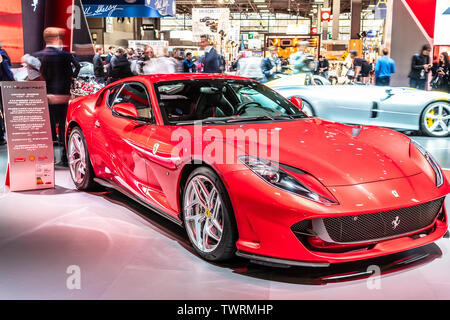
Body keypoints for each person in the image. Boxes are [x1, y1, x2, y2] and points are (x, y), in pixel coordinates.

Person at [33, 27, 81, 165]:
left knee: (48, 127)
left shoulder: (41, 55)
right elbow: (77, 66)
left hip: (48, 96)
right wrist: (71, 78)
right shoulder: (66, 55)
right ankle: (66, 159)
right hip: (64, 95)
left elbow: (40, 74)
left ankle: (49, 158)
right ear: (57, 38)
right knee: (64, 126)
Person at [0, 42, 14, 145]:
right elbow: (7, 71)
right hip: (4, 86)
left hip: (3, 86)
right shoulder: (2, 54)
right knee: (8, 110)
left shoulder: (2, 54)